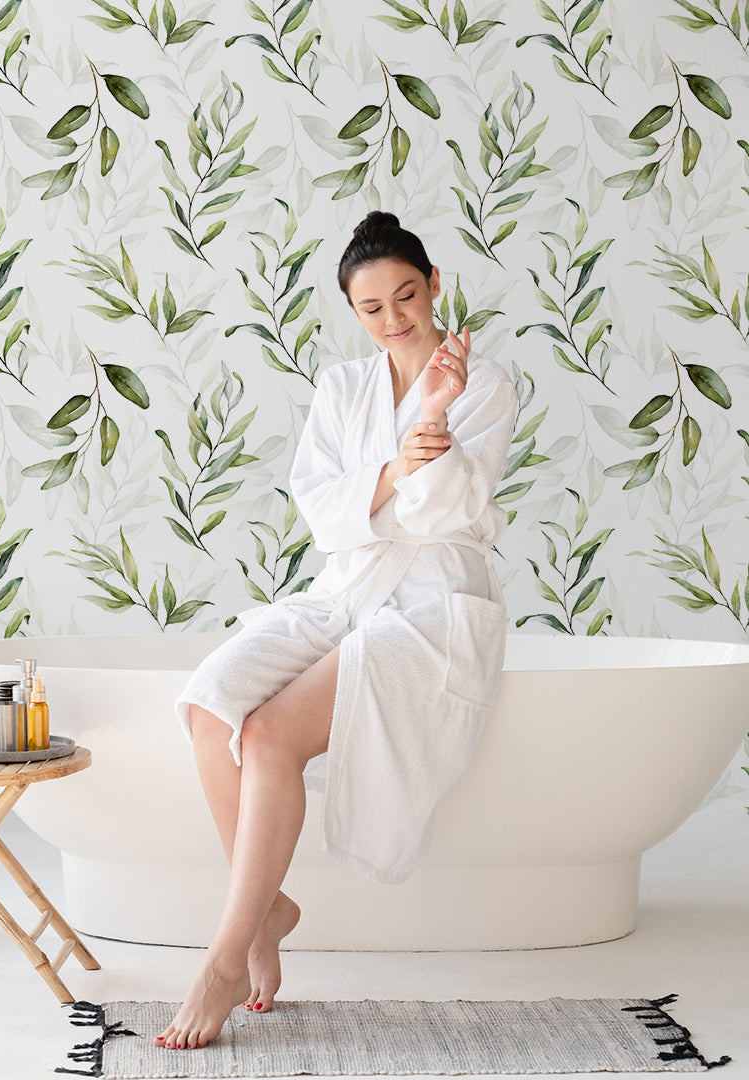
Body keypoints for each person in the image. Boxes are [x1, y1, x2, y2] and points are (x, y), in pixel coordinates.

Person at [154, 210, 519, 1051]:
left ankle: (223, 956)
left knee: (273, 734)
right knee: (212, 707)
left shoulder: (485, 384)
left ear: (433, 288)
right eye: (373, 306)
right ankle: (269, 907)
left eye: (408, 296)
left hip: (433, 603)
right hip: (344, 590)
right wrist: (395, 466)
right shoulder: (342, 388)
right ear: (353, 312)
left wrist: (432, 414)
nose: (395, 318)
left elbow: (450, 511)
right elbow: (324, 513)